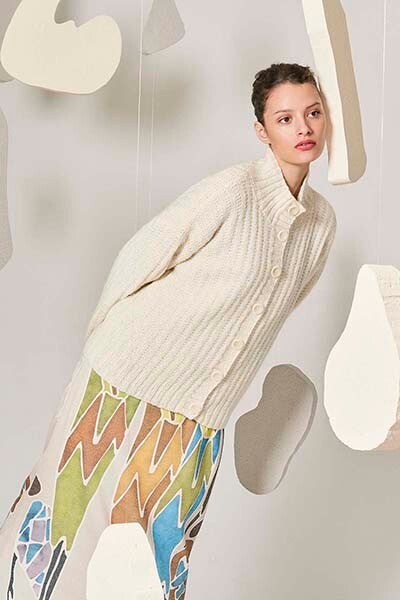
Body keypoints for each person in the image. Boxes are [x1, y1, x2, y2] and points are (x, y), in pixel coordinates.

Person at [0, 62, 336, 599]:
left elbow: (273, 312)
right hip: (123, 381)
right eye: (285, 118)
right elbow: (142, 257)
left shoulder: (320, 224)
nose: (304, 128)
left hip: (202, 416)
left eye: (313, 113)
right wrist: (104, 343)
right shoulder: (234, 191)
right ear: (261, 130)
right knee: (64, 523)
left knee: (158, 555)